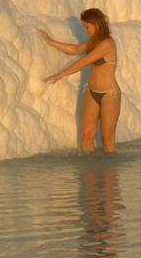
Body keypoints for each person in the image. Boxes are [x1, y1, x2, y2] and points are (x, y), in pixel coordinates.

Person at [41, 8, 120, 154]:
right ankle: (90, 174)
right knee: (87, 136)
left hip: (109, 94)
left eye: (87, 27)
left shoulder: (107, 44)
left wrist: (60, 75)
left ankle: (109, 175)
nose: (85, 30)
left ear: (96, 24)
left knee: (107, 141)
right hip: (92, 91)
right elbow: (76, 49)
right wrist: (50, 42)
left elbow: (84, 61)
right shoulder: (93, 42)